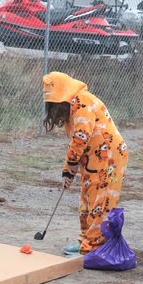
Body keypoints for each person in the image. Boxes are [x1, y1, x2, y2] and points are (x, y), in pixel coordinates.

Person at [41, 71, 128, 256]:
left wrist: (71, 163)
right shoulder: (73, 107)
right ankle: (86, 240)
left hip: (109, 157)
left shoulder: (82, 102)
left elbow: (81, 137)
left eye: (55, 105)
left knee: (100, 201)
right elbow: (76, 141)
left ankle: (94, 246)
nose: (54, 111)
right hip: (92, 159)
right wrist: (68, 170)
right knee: (87, 198)